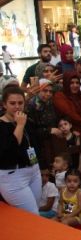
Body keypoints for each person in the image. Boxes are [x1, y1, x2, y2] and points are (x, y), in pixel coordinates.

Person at [0, 86, 42, 214]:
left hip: (33, 170)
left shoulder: (26, 120)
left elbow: (34, 143)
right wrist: (19, 125)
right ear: (4, 104)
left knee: (35, 210)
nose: (17, 107)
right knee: (33, 214)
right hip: (13, 175)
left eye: (20, 103)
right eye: (12, 103)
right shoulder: (3, 125)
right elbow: (10, 150)